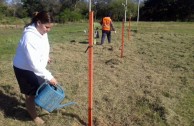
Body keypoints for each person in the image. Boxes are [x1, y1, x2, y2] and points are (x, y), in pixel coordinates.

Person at [13, 11, 57, 125]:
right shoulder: (29, 37)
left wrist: (46, 57)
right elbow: (34, 64)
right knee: (30, 94)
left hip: (36, 67)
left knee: (41, 87)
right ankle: (34, 116)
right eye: (47, 27)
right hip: (24, 69)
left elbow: (43, 46)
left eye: (50, 27)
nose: (48, 30)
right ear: (38, 22)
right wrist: (49, 76)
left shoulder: (42, 32)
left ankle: (40, 105)